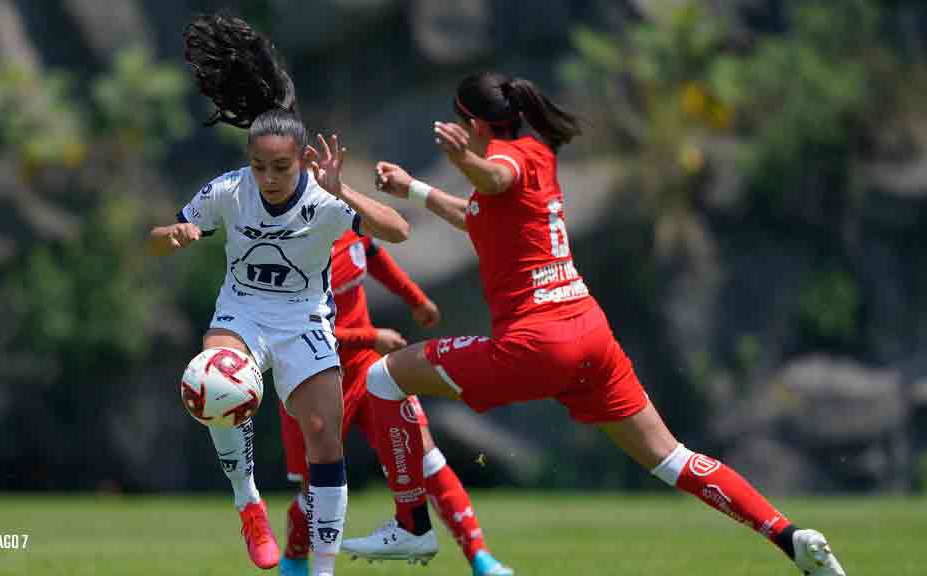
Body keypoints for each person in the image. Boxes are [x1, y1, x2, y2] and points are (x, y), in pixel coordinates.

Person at [340, 71, 847, 576]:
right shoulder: (538, 154)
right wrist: (415, 189)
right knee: (670, 458)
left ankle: (411, 526)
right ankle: (788, 535)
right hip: (588, 333)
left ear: (471, 123)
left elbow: (495, 176)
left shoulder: (504, 161)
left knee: (384, 378)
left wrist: (463, 161)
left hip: (536, 344)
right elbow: (479, 209)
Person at [149, 14, 410, 576]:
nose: (268, 177)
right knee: (213, 378)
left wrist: (348, 195)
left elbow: (398, 230)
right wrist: (172, 236)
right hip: (240, 312)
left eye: (281, 167)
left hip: (304, 321)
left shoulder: (322, 200)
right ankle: (248, 504)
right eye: (259, 165)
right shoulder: (227, 191)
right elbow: (158, 237)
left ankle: (322, 571)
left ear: (302, 161)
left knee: (324, 441)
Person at [276, 229, 513, 576]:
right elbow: (297, 328)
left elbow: (371, 253)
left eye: (323, 168)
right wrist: (372, 336)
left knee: (426, 456)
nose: (319, 172)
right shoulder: (278, 245)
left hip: (367, 369)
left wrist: (414, 297)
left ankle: (482, 560)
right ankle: (295, 559)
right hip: (312, 381)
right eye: (307, 169)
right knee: (317, 494)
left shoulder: (347, 219)